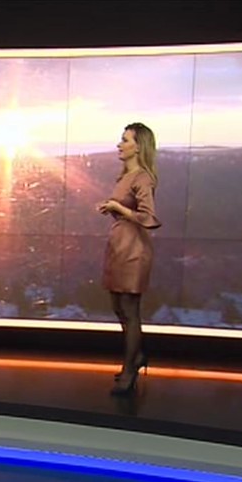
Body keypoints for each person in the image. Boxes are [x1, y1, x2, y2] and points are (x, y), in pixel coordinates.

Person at [96, 122, 161, 395]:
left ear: (138, 146)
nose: (119, 144)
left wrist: (118, 208)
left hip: (134, 248)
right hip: (119, 245)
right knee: (118, 307)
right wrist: (112, 208)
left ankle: (130, 370)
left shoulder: (143, 178)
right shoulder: (125, 176)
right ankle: (136, 356)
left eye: (125, 140)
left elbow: (149, 217)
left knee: (129, 309)